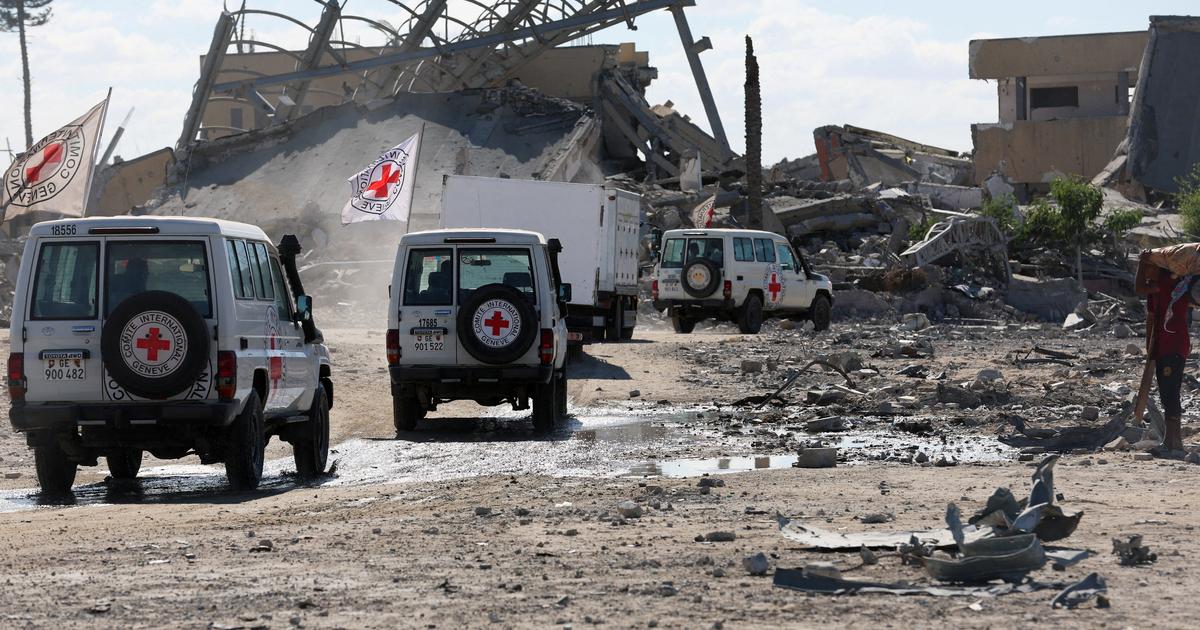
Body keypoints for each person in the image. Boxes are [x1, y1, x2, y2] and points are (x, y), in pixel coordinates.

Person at [1147, 268, 1191, 455]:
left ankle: (1171, 443)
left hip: (1172, 346)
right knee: (1168, 392)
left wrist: (1144, 263)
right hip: (1166, 346)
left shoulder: (1171, 285)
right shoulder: (1168, 286)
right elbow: (1152, 315)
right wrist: (1150, 347)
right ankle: (1174, 442)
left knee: (1170, 393)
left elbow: (1138, 287)